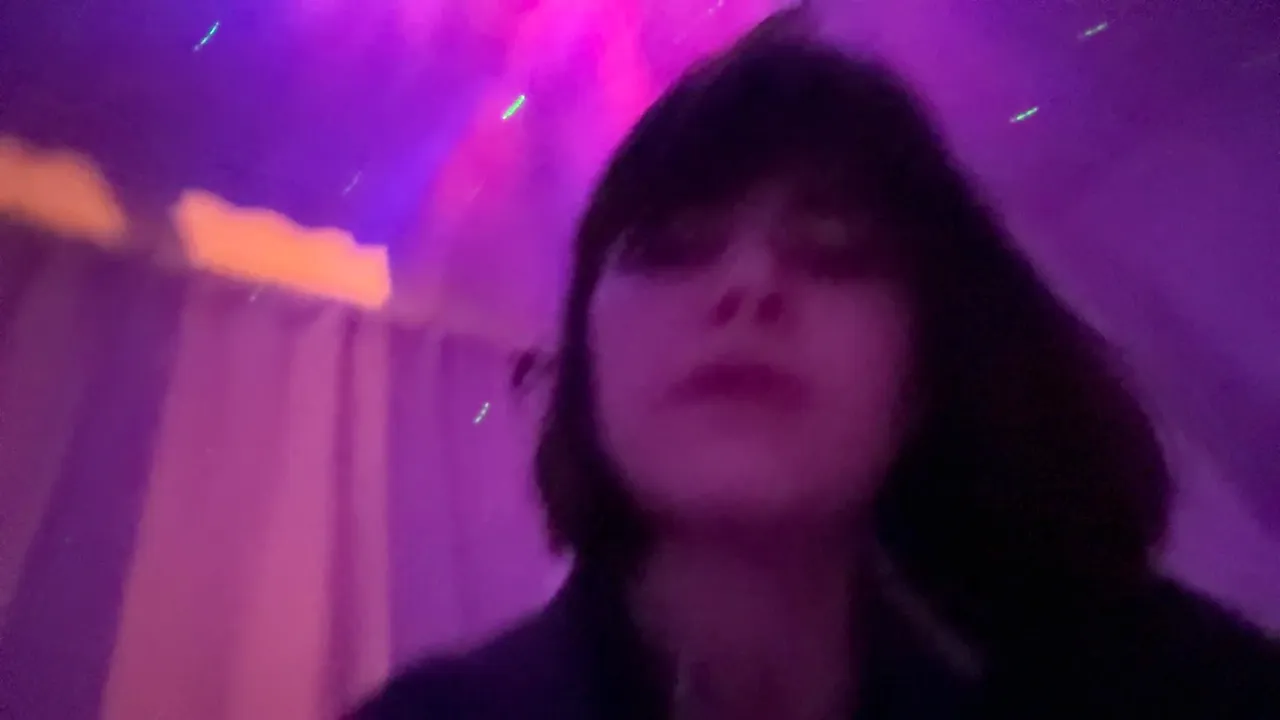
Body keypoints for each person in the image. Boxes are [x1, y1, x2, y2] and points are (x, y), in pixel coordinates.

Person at [350, 12, 1280, 720]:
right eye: (672, 248)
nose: (750, 286)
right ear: (587, 359)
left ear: (924, 365)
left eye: (838, 253)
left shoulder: (1165, 691)